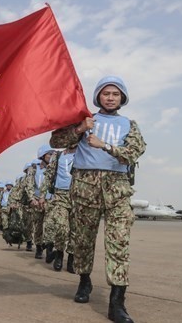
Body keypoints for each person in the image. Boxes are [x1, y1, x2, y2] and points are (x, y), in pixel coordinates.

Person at [50, 76, 146, 323]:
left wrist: (106, 146)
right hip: (84, 188)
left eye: (115, 94)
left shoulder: (129, 125)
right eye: (106, 94)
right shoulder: (84, 120)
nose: (111, 97)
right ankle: (84, 282)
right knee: (82, 240)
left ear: (122, 98)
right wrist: (80, 129)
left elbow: (134, 152)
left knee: (119, 242)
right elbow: (56, 141)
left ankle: (117, 303)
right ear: (98, 97)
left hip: (117, 189)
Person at [45, 144, 77, 273]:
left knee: (75, 230)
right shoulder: (58, 156)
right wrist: (43, 196)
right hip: (60, 194)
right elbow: (49, 175)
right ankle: (59, 253)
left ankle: (71, 258)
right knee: (61, 227)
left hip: (77, 195)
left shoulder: (83, 153)